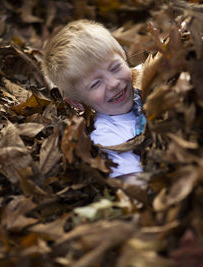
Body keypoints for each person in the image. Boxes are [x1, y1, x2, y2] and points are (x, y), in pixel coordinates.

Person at [42, 20, 146, 184]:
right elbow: (137, 186)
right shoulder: (109, 137)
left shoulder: (149, 77)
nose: (113, 83)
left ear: (124, 57)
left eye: (115, 68)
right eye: (96, 84)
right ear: (77, 103)